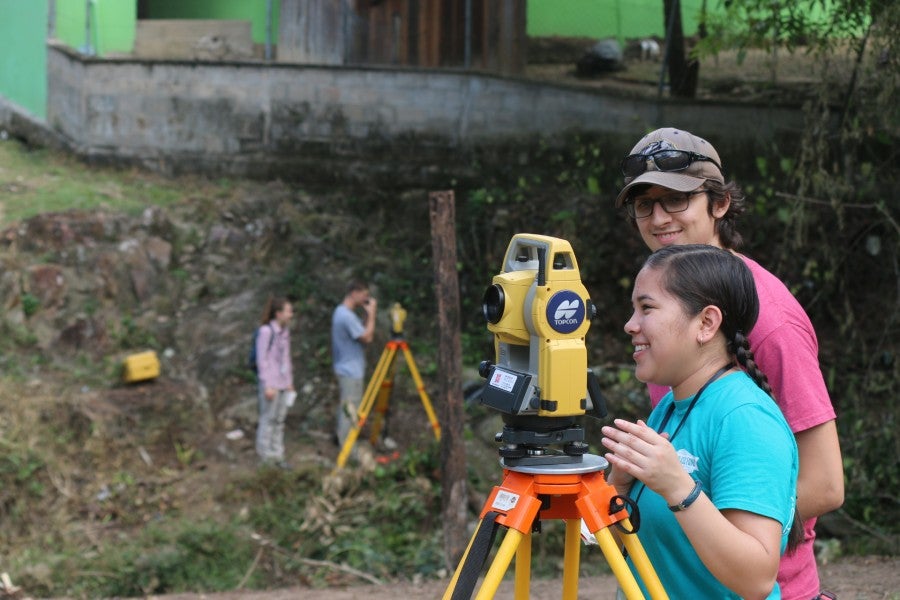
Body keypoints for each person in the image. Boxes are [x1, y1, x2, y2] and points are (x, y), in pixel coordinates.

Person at [613, 127, 844, 600]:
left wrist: (708, 512)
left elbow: (825, 482)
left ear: (719, 204)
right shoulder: (668, 327)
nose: (658, 219)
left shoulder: (771, 321)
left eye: (676, 200)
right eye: (644, 204)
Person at [602, 244, 799, 599]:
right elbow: (627, 547)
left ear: (706, 323)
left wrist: (678, 488)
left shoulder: (745, 419)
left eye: (646, 308)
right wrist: (616, 489)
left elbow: (756, 579)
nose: (630, 325)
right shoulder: (670, 409)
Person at [331, 280, 377, 447]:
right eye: (364, 294)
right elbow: (368, 337)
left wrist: (365, 316)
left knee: (347, 407)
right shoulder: (346, 316)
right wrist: (372, 314)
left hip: (347, 368)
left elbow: (362, 336)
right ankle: (347, 449)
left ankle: (342, 442)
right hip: (351, 370)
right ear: (354, 293)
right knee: (350, 411)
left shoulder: (343, 313)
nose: (366, 298)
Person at [255, 296, 295, 469]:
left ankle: (278, 455)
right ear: (278, 313)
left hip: (282, 384)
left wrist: (289, 382)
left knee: (279, 420)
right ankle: (266, 457)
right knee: (268, 419)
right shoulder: (266, 332)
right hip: (271, 383)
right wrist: (267, 384)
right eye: (288, 311)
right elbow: (261, 360)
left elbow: (285, 358)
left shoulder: (285, 333)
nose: (291, 314)